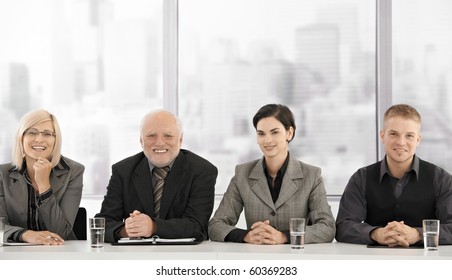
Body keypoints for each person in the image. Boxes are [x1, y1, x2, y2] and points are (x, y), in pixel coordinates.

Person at [208, 104, 335, 244]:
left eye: (274, 132)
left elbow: (327, 228)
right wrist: (246, 236)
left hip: (296, 258)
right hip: (256, 258)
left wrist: (285, 236)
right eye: (261, 133)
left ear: (289, 133)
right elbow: (215, 225)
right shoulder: (242, 174)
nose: (267, 140)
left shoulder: (312, 175)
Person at [336, 104, 452, 247]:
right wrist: (375, 233)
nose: (401, 142)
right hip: (373, 262)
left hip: (426, 262)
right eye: (393, 134)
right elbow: (343, 226)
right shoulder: (361, 178)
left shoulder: (440, 179)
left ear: (418, 139)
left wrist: (418, 234)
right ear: (382, 135)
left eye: (409, 135)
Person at [96, 109, 218, 243]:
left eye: (168, 136)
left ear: (180, 140)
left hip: (185, 255)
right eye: (151, 135)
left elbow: (196, 226)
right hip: (135, 255)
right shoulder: (123, 171)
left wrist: (153, 227)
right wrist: (128, 230)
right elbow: (104, 223)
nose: (159, 142)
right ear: (141, 140)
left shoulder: (202, 171)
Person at [0, 109, 84, 245]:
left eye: (47, 134)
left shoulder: (73, 171)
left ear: (56, 140)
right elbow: (0, 226)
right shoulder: (2, 174)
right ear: (21, 137)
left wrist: (44, 186)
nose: (39, 139)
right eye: (32, 132)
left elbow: (61, 232)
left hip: (60, 253)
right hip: (16, 255)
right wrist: (26, 235)